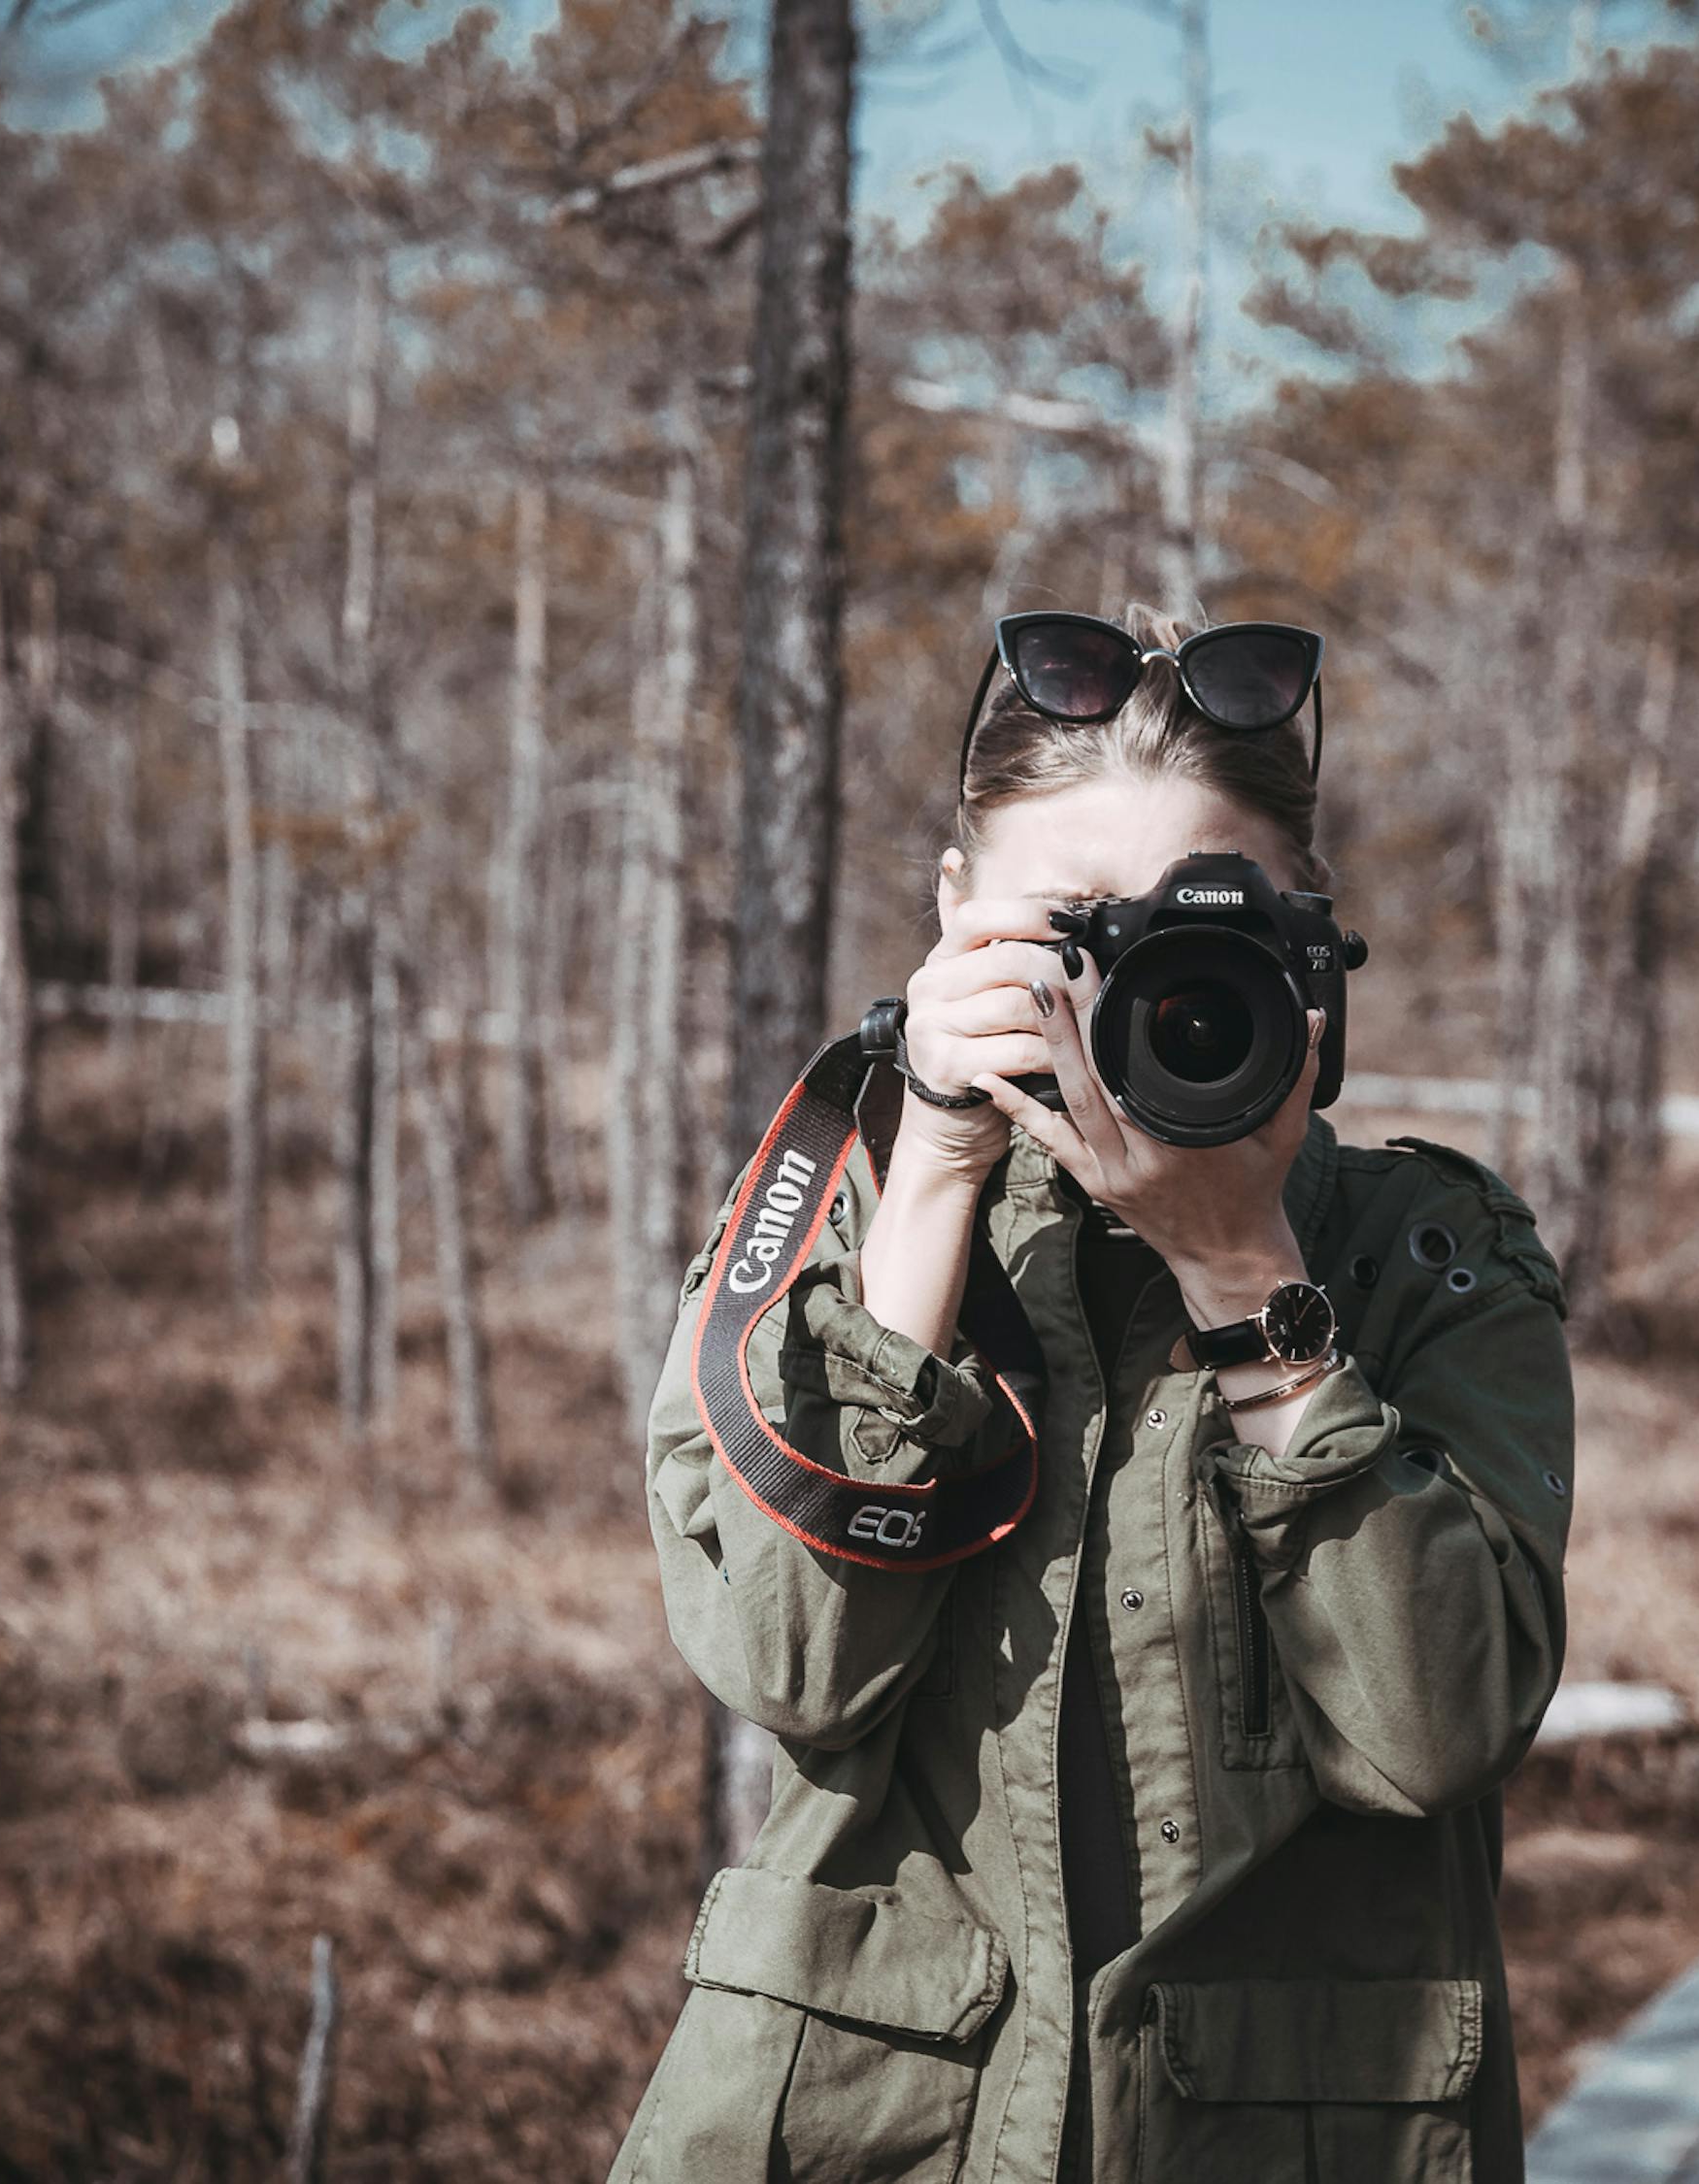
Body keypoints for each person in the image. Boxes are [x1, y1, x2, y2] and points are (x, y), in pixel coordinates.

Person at [606, 606, 1576, 2184]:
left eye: (1203, 931)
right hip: (869, 2130)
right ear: (949, 917)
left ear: (1309, 936)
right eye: (1069, 929)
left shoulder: (1423, 1255)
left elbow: (1431, 1735)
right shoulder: (834, 1217)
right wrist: (927, 1171)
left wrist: (1253, 1283)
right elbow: (789, 1665)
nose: (1123, 992)